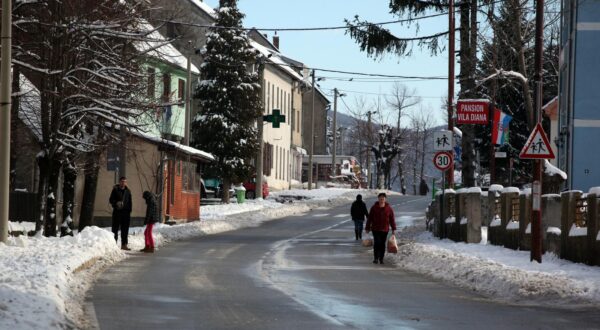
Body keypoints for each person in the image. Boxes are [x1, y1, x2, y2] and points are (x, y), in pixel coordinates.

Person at [365, 192, 396, 264]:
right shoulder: (374, 208)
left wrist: (393, 229)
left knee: (382, 244)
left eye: (383, 199)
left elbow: (392, 219)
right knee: (377, 243)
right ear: (378, 199)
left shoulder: (389, 208)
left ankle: (381, 258)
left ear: (385, 199)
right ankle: (376, 258)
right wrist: (367, 228)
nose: (381, 200)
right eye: (380, 199)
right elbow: (370, 218)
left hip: (385, 229)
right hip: (375, 229)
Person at [109, 176, 132, 250]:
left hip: (126, 213)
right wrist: (116, 203)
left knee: (125, 229)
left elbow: (130, 202)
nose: (123, 183)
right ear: (119, 182)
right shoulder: (115, 190)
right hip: (117, 212)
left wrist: (129, 211)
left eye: (124, 181)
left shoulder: (128, 191)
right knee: (115, 229)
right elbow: (111, 200)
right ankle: (114, 244)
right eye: (122, 181)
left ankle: (124, 245)